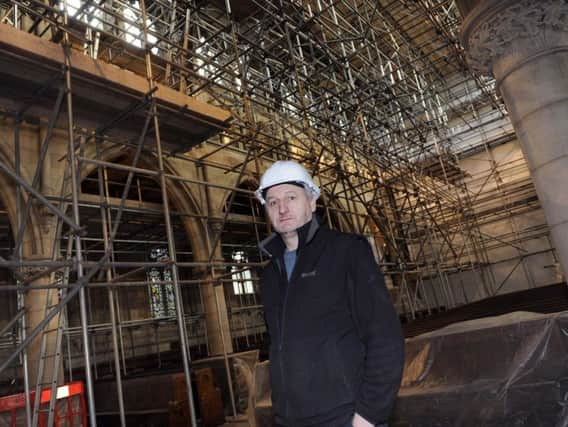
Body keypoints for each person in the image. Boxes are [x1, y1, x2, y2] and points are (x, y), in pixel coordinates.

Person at [256, 160, 405, 427]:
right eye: (272, 201)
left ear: (312, 201)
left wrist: (369, 414)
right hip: (290, 419)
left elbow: (385, 338)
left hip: (346, 416)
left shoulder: (346, 252)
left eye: (291, 197)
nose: (282, 208)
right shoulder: (269, 276)